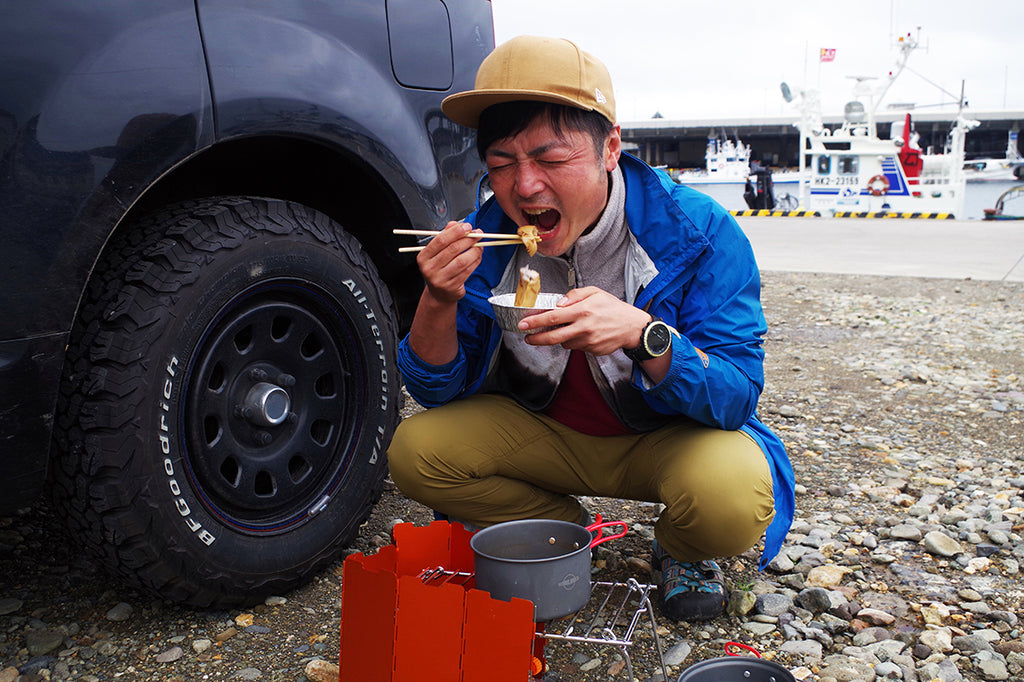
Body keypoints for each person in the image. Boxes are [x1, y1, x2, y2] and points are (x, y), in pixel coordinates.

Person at [388, 35, 794, 622]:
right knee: (417, 453)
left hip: (664, 438)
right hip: (542, 432)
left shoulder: (699, 232)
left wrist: (643, 334)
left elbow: (736, 393)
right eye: (501, 164)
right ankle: (558, 523)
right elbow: (434, 390)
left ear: (610, 148)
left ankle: (680, 550)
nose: (524, 187)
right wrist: (438, 296)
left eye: (551, 159)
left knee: (732, 496)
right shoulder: (486, 241)